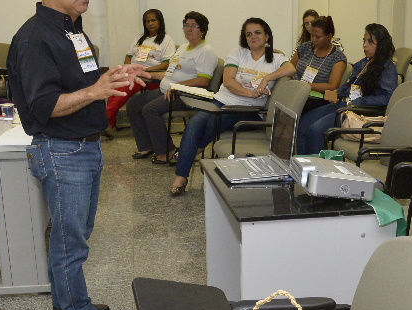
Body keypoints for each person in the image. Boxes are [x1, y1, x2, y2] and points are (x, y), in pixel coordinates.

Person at [8, 0, 147, 310]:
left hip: (82, 146)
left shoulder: (70, 30)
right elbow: (43, 105)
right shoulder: (36, 39)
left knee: (72, 234)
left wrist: (111, 75)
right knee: (72, 241)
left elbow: (81, 78)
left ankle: (64, 300)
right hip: (61, 149)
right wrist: (95, 91)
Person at [169, 17, 289, 196]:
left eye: (257, 32)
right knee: (194, 123)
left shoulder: (277, 58)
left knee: (213, 123)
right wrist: (251, 93)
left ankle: (195, 149)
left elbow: (291, 69)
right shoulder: (238, 53)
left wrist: (267, 78)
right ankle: (181, 177)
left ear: (267, 36)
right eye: (248, 34)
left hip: (249, 111)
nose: (253, 37)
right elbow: (228, 81)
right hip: (222, 101)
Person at [126, 11, 218, 164]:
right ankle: (147, 146)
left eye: (194, 26)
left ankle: (167, 151)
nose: (189, 29)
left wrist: (177, 86)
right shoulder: (183, 48)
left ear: (202, 30)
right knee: (133, 104)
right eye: (186, 25)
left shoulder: (206, 51)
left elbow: (203, 81)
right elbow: (168, 74)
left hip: (186, 95)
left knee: (150, 109)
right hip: (168, 89)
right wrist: (145, 74)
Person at [296, 22, 397, 154]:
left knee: (315, 130)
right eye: (364, 40)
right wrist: (334, 94)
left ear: (381, 45)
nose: (365, 45)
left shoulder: (387, 67)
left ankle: (315, 170)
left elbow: (387, 98)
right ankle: (302, 167)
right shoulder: (363, 63)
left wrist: (358, 102)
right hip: (342, 105)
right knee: (302, 124)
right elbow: (348, 87)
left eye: (370, 42)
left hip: (359, 112)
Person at [104, 8, 176, 126]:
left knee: (122, 89)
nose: (150, 23)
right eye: (147, 21)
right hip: (134, 72)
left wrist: (146, 70)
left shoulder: (166, 40)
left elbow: (167, 63)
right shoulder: (140, 38)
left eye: (153, 20)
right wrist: (127, 67)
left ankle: (106, 123)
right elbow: (129, 55)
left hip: (151, 76)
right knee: (114, 87)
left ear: (160, 22)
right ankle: (109, 123)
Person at [265, 15, 347, 113]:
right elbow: (290, 68)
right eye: (312, 35)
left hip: (315, 100)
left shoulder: (338, 58)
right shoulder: (305, 48)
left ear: (329, 36)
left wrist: (305, 86)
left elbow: (332, 86)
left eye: (318, 37)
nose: (313, 39)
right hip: (294, 92)